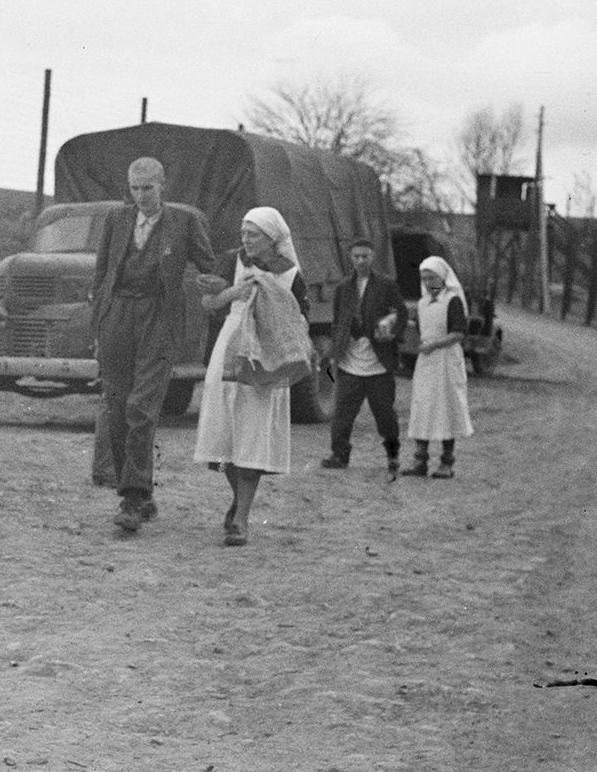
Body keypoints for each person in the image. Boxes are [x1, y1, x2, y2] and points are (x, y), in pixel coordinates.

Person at [91, 157, 216, 534]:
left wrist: (217, 282)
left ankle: (131, 499)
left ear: (163, 186)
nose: (141, 195)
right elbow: (101, 274)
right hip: (117, 316)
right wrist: (100, 325)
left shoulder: (184, 221)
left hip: (158, 318)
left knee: (141, 407)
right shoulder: (116, 220)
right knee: (117, 405)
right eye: (134, 188)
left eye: (148, 188)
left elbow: (210, 265)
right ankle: (141, 495)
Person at [193, 208, 310, 546]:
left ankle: (241, 519)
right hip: (230, 347)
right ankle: (238, 499)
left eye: (253, 234)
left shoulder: (290, 274)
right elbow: (208, 303)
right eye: (243, 233)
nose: (245, 239)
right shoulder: (232, 261)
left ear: (273, 238)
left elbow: (300, 320)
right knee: (223, 435)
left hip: (267, 353)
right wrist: (234, 293)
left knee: (253, 433)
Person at [320, 239, 408, 474]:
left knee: (385, 414)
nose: (360, 261)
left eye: (365, 256)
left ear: (373, 257)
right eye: (356, 256)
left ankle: (392, 455)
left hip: (378, 363)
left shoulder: (386, 285)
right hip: (351, 361)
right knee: (342, 413)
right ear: (351, 258)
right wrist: (337, 346)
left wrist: (391, 332)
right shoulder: (343, 287)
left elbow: (401, 313)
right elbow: (337, 320)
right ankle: (339, 454)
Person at [402, 256, 474, 478]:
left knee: (446, 407)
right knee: (423, 407)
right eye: (424, 278)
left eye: (432, 278)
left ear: (442, 278)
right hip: (427, 361)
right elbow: (421, 329)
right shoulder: (423, 304)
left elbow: (458, 333)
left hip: (446, 360)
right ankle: (420, 460)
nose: (428, 283)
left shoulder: (452, 301)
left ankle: (447, 462)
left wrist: (434, 344)